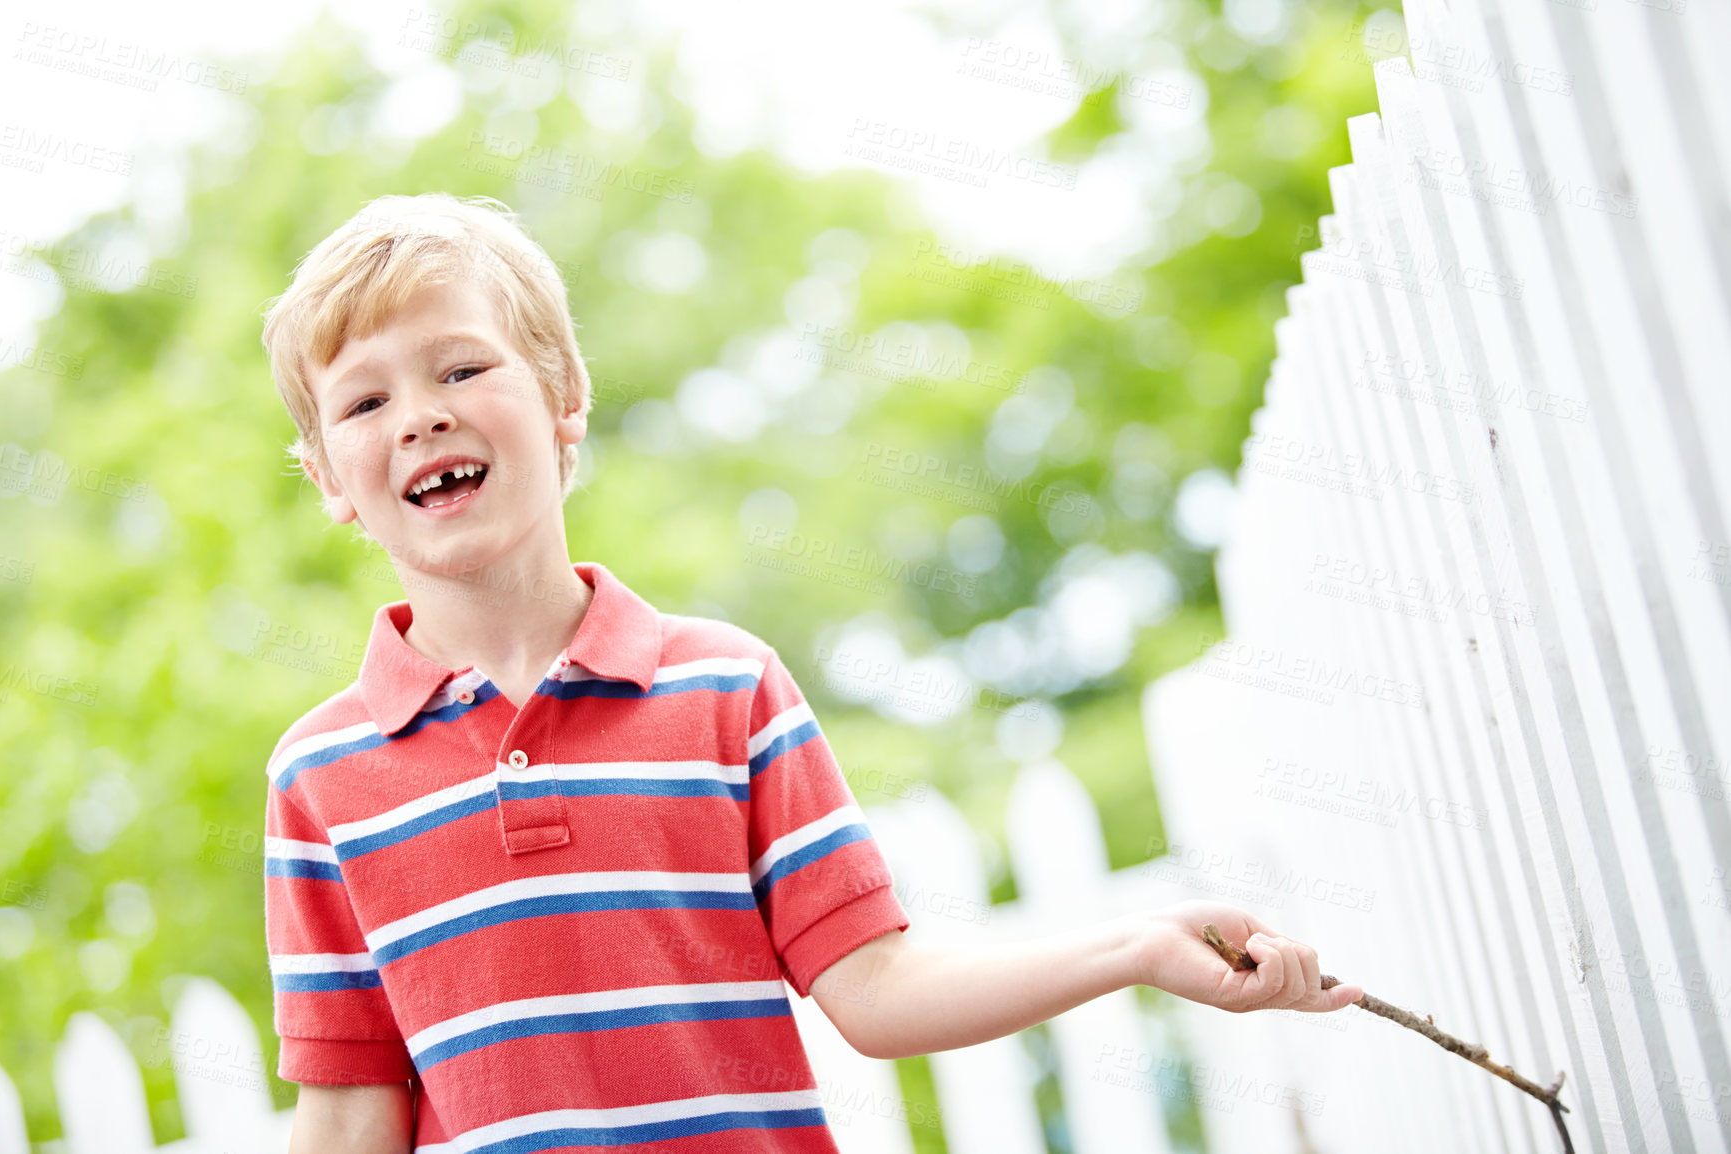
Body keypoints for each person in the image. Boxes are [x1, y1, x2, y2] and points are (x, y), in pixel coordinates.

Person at [257, 192, 1361, 1153]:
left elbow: (875, 988)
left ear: (562, 397)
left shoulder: (725, 689)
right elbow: (351, 1112)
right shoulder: (320, 779)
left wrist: (1133, 944)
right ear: (328, 478)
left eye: (460, 365)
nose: (422, 415)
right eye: (365, 401)